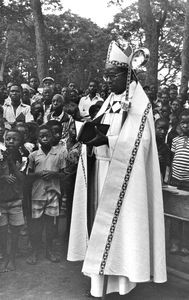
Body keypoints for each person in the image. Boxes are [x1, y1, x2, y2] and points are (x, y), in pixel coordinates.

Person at [68, 39, 167, 297]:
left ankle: (123, 281)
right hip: (101, 172)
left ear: (127, 74)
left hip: (125, 180)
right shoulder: (109, 100)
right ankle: (99, 282)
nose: (107, 80)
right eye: (106, 75)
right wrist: (87, 138)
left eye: (112, 76)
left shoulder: (139, 103)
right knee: (99, 226)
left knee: (122, 230)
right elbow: (98, 128)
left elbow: (142, 142)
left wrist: (107, 140)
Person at [26, 125, 67, 265]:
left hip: (53, 194)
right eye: (41, 136)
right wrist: (37, 174)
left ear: (52, 137)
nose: (44, 138)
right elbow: (28, 176)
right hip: (37, 194)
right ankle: (35, 251)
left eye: (47, 136)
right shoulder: (33, 155)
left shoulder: (59, 154)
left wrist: (54, 173)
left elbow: (64, 174)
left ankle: (49, 250)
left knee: (50, 224)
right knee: (36, 225)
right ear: (37, 139)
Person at [0, 129, 25, 272]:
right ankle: (4, 255)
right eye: (8, 139)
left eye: (14, 139)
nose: (10, 142)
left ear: (20, 141)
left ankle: (12, 258)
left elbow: (22, 179)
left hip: (15, 200)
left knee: (15, 231)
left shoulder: (23, 158)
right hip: (1, 201)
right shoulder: (0, 156)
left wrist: (11, 163)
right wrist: (3, 177)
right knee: (2, 231)